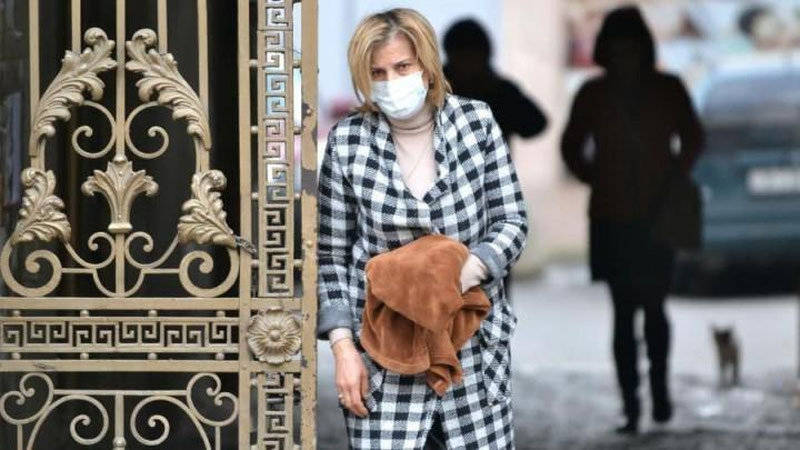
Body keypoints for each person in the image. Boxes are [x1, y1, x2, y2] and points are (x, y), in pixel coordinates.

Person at [317, 8, 528, 449]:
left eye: (402, 67)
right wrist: (342, 349)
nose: (390, 81)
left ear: (427, 66)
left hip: (472, 351)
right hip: (382, 358)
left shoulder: (476, 123)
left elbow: (511, 220)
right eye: (377, 72)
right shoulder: (348, 141)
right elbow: (330, 256)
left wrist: (460, 275)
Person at [560, 6, 704, 435]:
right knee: (627, 312)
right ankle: (635, 402)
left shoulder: (656, 89)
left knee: (650, 308)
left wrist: (668, 178)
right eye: (619, 50)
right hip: (619, 215)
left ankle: (654, 393)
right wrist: (601, 177)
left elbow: (693, 138)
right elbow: (571, 146)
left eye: (630, 49)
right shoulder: (601, 94)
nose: (625, 58)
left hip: (650, 214)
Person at [443, 18, 547, 305]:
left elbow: (536, 123)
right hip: (447, 202)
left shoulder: (499, 92)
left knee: (491, 289)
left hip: (489, 204)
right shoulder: (437, 91)